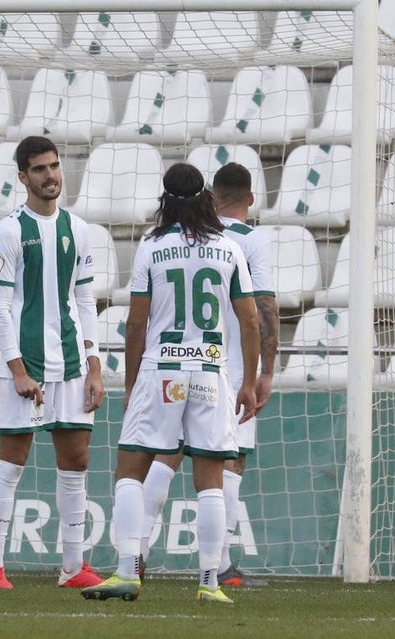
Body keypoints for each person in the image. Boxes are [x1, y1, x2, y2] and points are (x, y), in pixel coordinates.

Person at [82, 162, 259, 604]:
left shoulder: (152, 248)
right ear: (205, 198)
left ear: (166, 200)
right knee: (211, 480)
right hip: (210, 371)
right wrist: (249, 382)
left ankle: (126, 572)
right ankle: (209, 583)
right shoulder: (228, 248)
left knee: (130, 470)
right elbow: (251, 321)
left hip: (162, 370)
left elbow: (136, 324)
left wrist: (132, 382)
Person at [137, 162, 278, 587]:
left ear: (213, 197)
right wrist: (264, 373)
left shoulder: (174, 239)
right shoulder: (248, 242)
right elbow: (264, 312)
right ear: (250, 198)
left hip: (172, 362)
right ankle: (218, 567)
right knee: (227, 463)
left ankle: (134, 555)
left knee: (165, 456)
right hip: (228, 371)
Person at [0, 136, 106, 591]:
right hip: (26, 364)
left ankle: (73, 566)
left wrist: (94, 363)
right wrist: (16, 369)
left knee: (77, 460)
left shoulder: (78, 228)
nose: (50, 176)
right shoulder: (10, 230)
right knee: (12, 462)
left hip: (71, 361)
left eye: (54, 166)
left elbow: (85, 297)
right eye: (39, 169)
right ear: (22, 177)